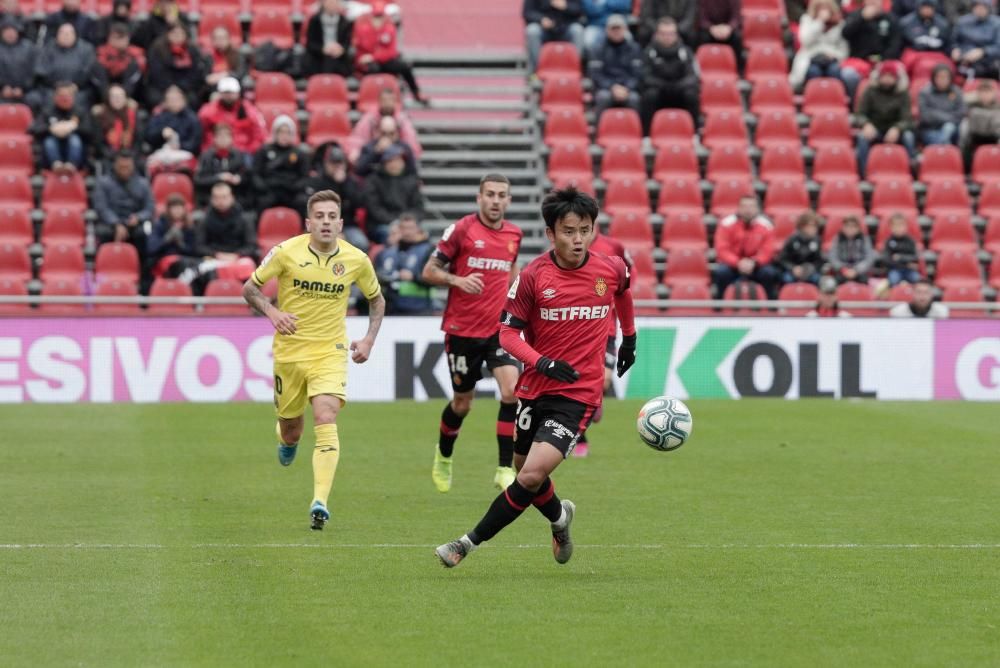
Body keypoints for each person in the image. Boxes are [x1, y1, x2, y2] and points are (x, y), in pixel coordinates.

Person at [434, 187, 637, 568]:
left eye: (585, 230)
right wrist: (541, 362)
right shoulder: (532, 276)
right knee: (528, 472)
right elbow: (508, 332)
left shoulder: (610, 268)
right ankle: (560, 519)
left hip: (579, 393)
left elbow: (624, 291)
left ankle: (464, 545)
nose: (578, 240)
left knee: (527, 476)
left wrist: (629, 338)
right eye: (569, 231)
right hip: (536, 388)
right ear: (550, 233)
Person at [242, 189, 386, 530]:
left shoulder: (356, 260)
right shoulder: (285, 252)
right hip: (290, 352)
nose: (325, 222)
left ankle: (319, 500)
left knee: (326, 414)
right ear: (309, 223)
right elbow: (250, 289)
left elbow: (377, 300)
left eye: (331, 216)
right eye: (319, 217)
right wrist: (273, 312)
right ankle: (284, 437)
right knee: (292, 430)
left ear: (340, 223)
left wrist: (368, 338)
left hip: (330, 351)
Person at [420, 174, 523, 493]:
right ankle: (444, 456)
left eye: (501, 195)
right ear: (479, 198)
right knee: (463, 404)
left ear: (508, 200)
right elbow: (429, 271)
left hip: (498, 330)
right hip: (462, 331)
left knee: (512, 391)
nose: (495, 200)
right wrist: (458, 281)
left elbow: (513, 270)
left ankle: (505, 468)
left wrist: (518, 304)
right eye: (489, 194)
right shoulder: (462, 230)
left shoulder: (514, 234)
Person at [574, 228, 631, 458]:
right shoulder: (569, 245)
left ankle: (596, 400)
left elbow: (627, 275)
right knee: (579, 383)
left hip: (606, 328)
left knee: (604, 380)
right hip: (578, 328)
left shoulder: (613, 247)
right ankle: (580, 436)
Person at [352, 2, 426, 103]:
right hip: (369, 64)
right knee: (373, 69)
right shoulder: (362, 29)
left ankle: (416, 93)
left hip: (382, 60)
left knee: (404, 66)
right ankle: (371, 98)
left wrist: (373, 56)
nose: (378, 20)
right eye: (376, 17)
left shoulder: (389, 29)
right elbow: (360, 51)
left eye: (380, 16)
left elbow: (391, 52)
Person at [297, 144, 366, 249]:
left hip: (347, 225)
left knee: (361, 243)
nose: (337, 167)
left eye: (340, 163)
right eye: (333, 163)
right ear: (326, 163)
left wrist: (344, 183)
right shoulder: (317, 181)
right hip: (320, 224)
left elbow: (359, 203)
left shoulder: (350, 182)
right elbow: (305, 204)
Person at [855, 60, 916, 178]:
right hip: (874, 129)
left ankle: (911, 170)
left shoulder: (903, 94)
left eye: (890, 76)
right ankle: (864, 173)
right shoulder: (870, 91)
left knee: (909, 136)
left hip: (895, 131)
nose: (887, 79)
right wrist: (866, 124)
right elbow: (859, 114)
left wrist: (897, 129)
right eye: (884, 76)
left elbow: (907, 119)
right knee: (862, 137)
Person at [638, 17, 699, 134]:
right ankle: (646, 135)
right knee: (649, 95)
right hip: (659, 91)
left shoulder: (685, 52)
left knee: (691, 94)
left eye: (671, 34)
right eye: (663, 34)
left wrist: (678, 86)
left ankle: (694, 134)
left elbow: (693, 77)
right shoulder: (649, 52)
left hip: (679, 91)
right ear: (656, 34)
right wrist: (663, 85)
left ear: (676, 34)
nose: (667, 37)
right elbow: (645, 76)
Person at [712, 195, 780, 298]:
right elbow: (722, 249)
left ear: (757, 209)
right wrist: (737, 262)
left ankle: (770, 308)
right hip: (733, 265)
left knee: (769, 273)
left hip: (756, 265)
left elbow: (768, 250)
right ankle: (719, 307)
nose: (748, 210)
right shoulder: (726, 224)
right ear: (739, 208)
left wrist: (754, 262)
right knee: (721, 272)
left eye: (751, 206)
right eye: (744, 206)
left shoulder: (766, 225)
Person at [92, 151, 154, 261]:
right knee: (102, 232)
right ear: (115, 165)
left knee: (145, 234)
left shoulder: (143, 184)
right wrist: (116, 223)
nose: (124, 170)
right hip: (110, 223)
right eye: (121, 167)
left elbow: (149, 208)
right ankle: (105, 267)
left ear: (133, 166)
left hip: (134, 223)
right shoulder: (103, 183)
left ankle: (142, 272)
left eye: (127, 167)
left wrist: (139, 217)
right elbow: (101, 207)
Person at [840, 0, 903, 100]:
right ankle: (853, 105)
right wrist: (861, 18)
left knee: (901, 73)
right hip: (859, 60)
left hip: (884, 60)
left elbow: (896, 44)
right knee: (848, 75)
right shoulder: (855, 16)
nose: (873, 5)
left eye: (875, 2)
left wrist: (883, 60)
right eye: (870, 2)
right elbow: (845, 34)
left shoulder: (891, 19)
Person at [374, 213, 435, 314]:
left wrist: (413, 277)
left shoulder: (428, 250)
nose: (407, 232)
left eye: (410, 228)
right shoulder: (385, 253)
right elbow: (374, 277)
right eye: (403, 228)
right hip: (390, 308)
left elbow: (434, 278)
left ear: (418, 229)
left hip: (419, 308)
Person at [361, 145, 424, 242]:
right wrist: (395, 223)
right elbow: (374, 209)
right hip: (381, 224)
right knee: (394, 236)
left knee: (424, 234)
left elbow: (418, 207)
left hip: (408, 223)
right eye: (391, 160)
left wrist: (407, 223)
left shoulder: (412, 180)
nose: (395, 164)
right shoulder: (373, 180)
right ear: (384, 163)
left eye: (398, 160)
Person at [346, 87, 422, 163]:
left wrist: (401, 152)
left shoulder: (402, 120)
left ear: (395, 102)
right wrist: (355, 151)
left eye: (390, 100)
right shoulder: (370, 119)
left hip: (397, 159)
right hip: (375, 156)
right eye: (384, 100)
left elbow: (411, 141)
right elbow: (358, 138)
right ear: (379, 101)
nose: (387, 103)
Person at [32, 81, 94, 173]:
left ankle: (71, 164)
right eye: (61, 95)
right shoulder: (47, 111)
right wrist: (51, 128)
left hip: (77, 155)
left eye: (68, 95)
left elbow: (90, 132)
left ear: (73, 96)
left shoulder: (80, 111)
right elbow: (34, 129)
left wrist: (73, 127)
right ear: (55, 96)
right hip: (50, 155)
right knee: (49, 140)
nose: (65, 98)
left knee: (74, 139)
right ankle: (56, 164)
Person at [33, 22, 99, 108]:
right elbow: (42, 71)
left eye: (69, 33)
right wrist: (59, 87)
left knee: (85, 99)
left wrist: (76, 85)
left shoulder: (86, 49)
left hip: (78, 89)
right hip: (52, 89)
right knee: (37, 98)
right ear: (57, 35)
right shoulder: (48, 48)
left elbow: (88, 70)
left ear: (75, 35)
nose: (66, 36)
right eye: (62, 33)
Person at [198, 76, 268, 155]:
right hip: (216, 153)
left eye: (231, 92)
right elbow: (202, 136)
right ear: (220, 93)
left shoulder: (249, 110)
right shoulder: (208, 111)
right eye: (225, 93)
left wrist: (249, 150)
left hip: (244, 152)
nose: (228, 96)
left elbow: (259, 135)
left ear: (238, 93)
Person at [252, 115, 309, 211]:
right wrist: (264, 187)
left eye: (287, 132)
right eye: (281, 132)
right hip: (270, 190)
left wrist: (293, 187)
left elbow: (305, 177)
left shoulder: (300, 154)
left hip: (291, 192)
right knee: (260, 201)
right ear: (275, 133)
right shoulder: (264, 150)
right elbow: (255, 173)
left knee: (303, 202)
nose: (284, 136)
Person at [590, 15, 641, 119]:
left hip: (627, 88)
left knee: (634, 98)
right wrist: (612, 87)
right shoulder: (598, 49)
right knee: (603, 97)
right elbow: (596, 74)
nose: (616, 32)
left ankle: (636, 132)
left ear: (625, 30)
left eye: (619, 28)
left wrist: (627, 88)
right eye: (613, 29)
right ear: (607, 30)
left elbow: (637, 74)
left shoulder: (634, 48)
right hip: (606, 88)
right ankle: (599, 132)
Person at [789, 0, 848, 90]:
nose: (823, 11)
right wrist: (819, 22)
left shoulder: (839, 24)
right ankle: (814, 99)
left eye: (826, 8)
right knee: (814, 71)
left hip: (832, 59)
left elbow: (844, 49)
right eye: (821, 8)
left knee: (834, 71)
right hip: (810, 58)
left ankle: (834, 99)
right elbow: (805, 41)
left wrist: (834, 55)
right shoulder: (807, 20)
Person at [145, 22, 206, 107]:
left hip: (185, 88)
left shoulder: (193, 50)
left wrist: (180, 87)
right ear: (168, 34)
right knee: (153, 98)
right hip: (162, 87)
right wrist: (170, 88)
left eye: (181, 33)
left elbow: (195, 73)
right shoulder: (157, 49)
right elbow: (156, 73)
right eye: (174, 33)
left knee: (193, 99)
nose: (177, 36)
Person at [194, 123, 250, 206]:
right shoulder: (206, 157)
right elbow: (199, 180)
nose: (223, 139)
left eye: (226, 136)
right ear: (214, 139)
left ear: (231, 139)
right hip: (210, 198)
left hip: (236, 197)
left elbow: (246, 175)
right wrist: (219, 177)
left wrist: (238, 178)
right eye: (220, 136)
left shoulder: (238, 155)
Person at [197, 182, 256, 261]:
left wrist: (237, 255)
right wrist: (216, 254)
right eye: (216, 198)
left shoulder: (244, 219)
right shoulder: (204, 219)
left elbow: (251, 246)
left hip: (238, 257)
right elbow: (199, 246)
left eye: (224, 197)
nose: (220, 201)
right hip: (213, 257)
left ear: (232, 197)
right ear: (211, 199)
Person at [523, 0, 586, 72]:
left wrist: (566, 6)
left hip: (565, 28)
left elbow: (580, 10)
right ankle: (538, 69)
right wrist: (541, 19)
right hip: (544, 30)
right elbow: (527, 12)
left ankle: (574, 67)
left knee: (577, 30)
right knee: (532, 30)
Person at [145, 84, 203, 157]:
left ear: (184, 100)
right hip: (162, 153)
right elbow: (148, 137)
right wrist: (161, 133)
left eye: (177, 99)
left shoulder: (192, 118)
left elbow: (195, 143)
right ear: (166, 102)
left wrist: (179, 145)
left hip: (184, 153)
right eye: (171, 100)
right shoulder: (159, 116)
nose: (174, 103)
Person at [353, 115, 417, 177]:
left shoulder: (404, 148)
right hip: (375, 185)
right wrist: (375, 152)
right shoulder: (369, 147)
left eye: (391, 133)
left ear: (397, 133)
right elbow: (359, 170)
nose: (387, 137)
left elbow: (412, 171)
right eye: (384, 133)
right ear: (378, 132)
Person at [899, 0, 952, 75]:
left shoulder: (943, 24)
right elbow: (902, 44)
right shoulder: (906, 23)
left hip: (937, 54)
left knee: (947, 67)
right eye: (925, 7)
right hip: (915, 53)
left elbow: (947, 44)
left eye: (929, 8)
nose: (927, 10)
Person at [952, 0, 1000, 80]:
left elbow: (998, 47)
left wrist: (983, 51)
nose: (979, 10)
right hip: (964, 59)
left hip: (988, 61)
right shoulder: (963, 21)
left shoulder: (997, 24)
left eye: (982, 7)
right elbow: (954, 41)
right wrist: (955, 49)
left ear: (988, 8)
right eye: (977, 7)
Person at [95, 22, 145, 100]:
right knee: (98, 68)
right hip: (106, 89)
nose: (120, 41)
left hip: (129, 91)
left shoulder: (135, 53)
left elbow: (140, 71)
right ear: (109, 38)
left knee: (134, 66)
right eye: (116, 37)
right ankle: (107, 100)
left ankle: (124, 99)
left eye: (123, 37)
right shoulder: (101, 52)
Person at [91, 83, 141, 159]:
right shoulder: (100, 115)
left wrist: (130, 155)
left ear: (126, 99)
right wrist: (112, 156)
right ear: (108, 98)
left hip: (130, 157)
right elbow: (99, 144)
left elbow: (138, 141)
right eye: (114, 96)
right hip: (107, 157)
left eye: (120, 96)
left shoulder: (133, 115)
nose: (117, 99)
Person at [918, 64, 965, 145]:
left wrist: (935, 114)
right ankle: (945, 147)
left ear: (950, 78)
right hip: (931, 130)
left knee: (949, 128)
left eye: (945, 77)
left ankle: (943, 148)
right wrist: (949, 117)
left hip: (953, 130)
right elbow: (925, 116)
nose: (942, 80)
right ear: (934, 78)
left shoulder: (957, 92)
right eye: (939, 77)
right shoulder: (925, 93)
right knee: (942, 134)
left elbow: (961, 112)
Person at [305, 0, 354, 77]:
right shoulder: (314, 20)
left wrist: (340, 49)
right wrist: (323, 49)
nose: (333, 5)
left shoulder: (345, 22)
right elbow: (310, 44)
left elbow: (347, 43)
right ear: (323, 4)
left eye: (335, 3)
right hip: (319, 56)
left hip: (338, 57)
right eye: (330, 2)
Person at [960, 79, 1000, 166]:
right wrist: (976, 96)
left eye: (988, 92)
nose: (986, 95)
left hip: (994, 135)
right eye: (983, 92)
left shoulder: (998, 106)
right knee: (964, 127)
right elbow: (962, 99)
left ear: (994, 93)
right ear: (978, 93)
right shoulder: (971, 104)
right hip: (975, 135)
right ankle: (967, 167)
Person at [777, 212, 824, 285]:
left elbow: (819, 260)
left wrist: (811, 268)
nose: (814, 229)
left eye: (815, 226)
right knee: (787, 279)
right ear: (802, 226)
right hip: (793, 270)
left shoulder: (817, 240)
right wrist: (793, 268)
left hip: (809, 271)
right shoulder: (792, 239)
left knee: (817, 279)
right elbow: (782, 259)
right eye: (811, 226)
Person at [0, 16, 37, 106]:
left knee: (35, 99)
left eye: (12, 30)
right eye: (7, 31)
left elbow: (34, 71)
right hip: (2, 91)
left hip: (26, 91)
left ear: (18, 32)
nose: (10, 34)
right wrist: (2, 87)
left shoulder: (29, 48)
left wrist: (23, 88)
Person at [829, 215, 876, 283]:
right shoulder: (838, 239)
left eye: (853, 226)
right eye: (847, 226)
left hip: (859, 270)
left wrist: (857, 270)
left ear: (858, 228)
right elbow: (832, 257)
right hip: (842, 269)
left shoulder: (865, 239)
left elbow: (869, 257)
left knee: (864, 281)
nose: (850, 228)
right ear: (843, 227)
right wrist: (843, 269)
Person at [880, 212, 922, 285]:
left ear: (906, 226)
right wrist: (906, 264)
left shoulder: (911, 241)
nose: (898, 228)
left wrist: (900, 257)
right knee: (893, 281)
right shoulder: (888, 242)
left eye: (901, 225)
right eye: (895, 225)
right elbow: (886, 260)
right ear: (891, 227)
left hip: (909, 270)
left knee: (918, 280)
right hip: (895, 270)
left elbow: (915, 257)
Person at [697, 0, 742, 66]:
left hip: (727, 29)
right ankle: (703, 66)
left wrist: (729, 28)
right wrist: (711, 28)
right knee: (701, 36)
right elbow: (702, 19)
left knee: (737, 37)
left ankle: (737, 68)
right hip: (711, 29)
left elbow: (736, 17)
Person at [205, 26, 247, 90]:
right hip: (214, 88)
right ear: (212, 40)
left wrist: (226, 75)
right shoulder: (207, 57)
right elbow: (205, 76)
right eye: (217, 38)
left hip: (233, 89)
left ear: (229, 39)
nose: (220, 41)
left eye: (223, 38)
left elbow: (240, 73)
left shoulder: (237, 55)